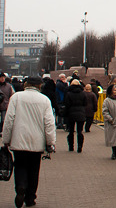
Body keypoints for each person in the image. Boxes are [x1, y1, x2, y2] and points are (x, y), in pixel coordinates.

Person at [2, 76, 56, 208]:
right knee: (34, 169)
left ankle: (20, 186)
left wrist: (6, 139)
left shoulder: (16, 97)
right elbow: (49, 123)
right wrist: (50, 142)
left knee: (19, 166)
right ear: (39, 86)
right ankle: (30, 197)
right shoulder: (44, 100)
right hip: (37, 142)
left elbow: (9, 120)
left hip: (19, 140)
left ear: (26, 84)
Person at [64, 79, 87, 152]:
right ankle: (80, 146)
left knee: (71, 131)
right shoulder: (83, 93)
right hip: (81, 113)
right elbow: (85, 103)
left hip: (71, 113)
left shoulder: (69, 94)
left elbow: (67, 104)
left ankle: (71, 146)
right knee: (79, 131)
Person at [102, 84, 116, 160]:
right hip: (112, 122)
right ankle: (114, 152)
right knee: (114, 139)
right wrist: (110, 119)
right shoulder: (107, 101)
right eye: (114, 90)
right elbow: (105, 112)